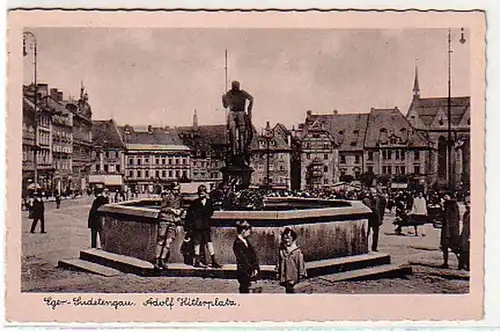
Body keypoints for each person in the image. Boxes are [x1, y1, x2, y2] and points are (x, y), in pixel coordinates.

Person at [185, 184, 222, 268]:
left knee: (209, 243)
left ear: (206, 193)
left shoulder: (209, 202)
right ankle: (197, 261)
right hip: (197, 226)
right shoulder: (195, 202)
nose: (201, 194)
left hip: (205, 225)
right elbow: (189, 214)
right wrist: (189, 226)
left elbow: (211, 212)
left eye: (203, 192)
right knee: (197, 243)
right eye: (200, 192)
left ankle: (213, 261)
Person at [221, 80, 254, 162]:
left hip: (240, 113)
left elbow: (251, 99)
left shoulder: (242, 93)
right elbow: (225, 106)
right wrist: (224, 99)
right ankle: (234, 152)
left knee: (241, 134)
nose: (235, 87)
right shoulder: (229, 93)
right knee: (232, 134)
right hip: (232, 113)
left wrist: (249, 111)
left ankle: (241, 152)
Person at [154, 182, 184, 271]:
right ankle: (157, 260)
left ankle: (162, 260)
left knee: (169, 241)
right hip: (164, 220)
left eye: (178, 189)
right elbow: (162, 208)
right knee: (161, 240)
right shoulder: (166, 197)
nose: (177, 191)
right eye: (175, 189)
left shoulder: (180, 197)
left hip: (174, 221)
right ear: (171, 189)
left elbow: (182, 207)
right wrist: (172, 210)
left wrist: (180, 211)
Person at [233, 220, 260, 293]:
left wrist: (255, 267)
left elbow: (253, 255)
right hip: (244, 271)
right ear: (243, 230)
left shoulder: (246, 241)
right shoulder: (237, 243)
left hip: (250, 270)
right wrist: (251, 269)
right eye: (248, 230)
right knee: (244, 289)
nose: (250, 232)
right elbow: (242, 259)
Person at [278, 227, 307, 293]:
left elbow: (301, 264)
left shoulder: (297, 251)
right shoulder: (282, 250)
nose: (287, 240)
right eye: (285, 238)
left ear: (292, 238)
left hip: (294, 277)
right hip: (285, 277)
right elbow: (280, 262)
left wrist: (301, 275)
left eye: (288, 238)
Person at [441, 193, 461, 269]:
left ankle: (461, 263)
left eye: (446, 195)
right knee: (444, 247)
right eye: (444, 196)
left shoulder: (453, 205)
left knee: (454, 247)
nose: (444, 197)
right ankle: (445, 263)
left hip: (451, 230)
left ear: (450, 196)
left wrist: (452, 229)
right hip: (446, 229)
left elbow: (455, 218)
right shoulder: (446, 205)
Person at [458, 195, 471, 271]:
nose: (467, 205)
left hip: (470, 236)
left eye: (469, 203)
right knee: (464, 250)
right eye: (466, 203)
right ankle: (464, 265)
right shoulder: (466, 214)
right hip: (465, 234)